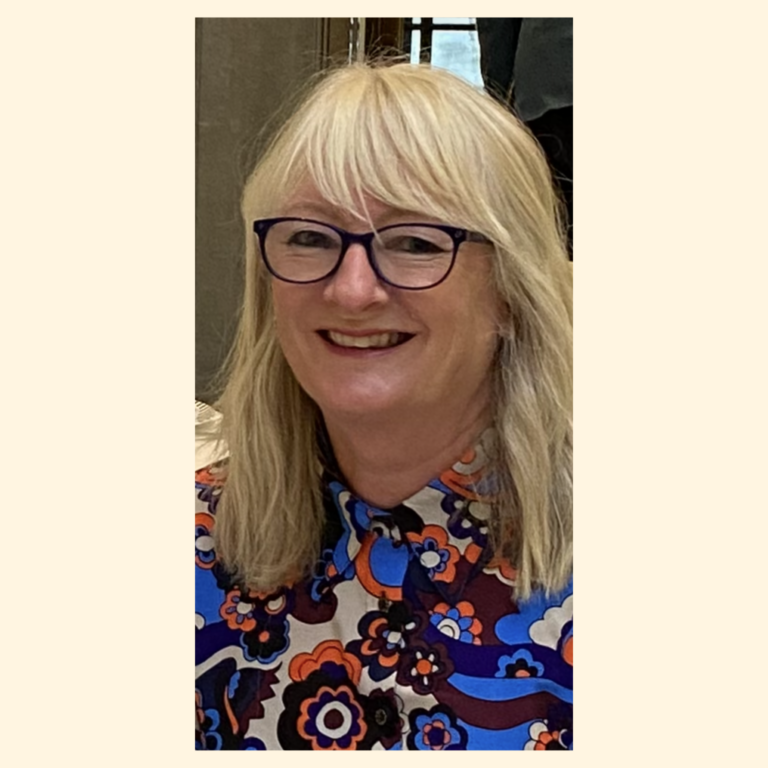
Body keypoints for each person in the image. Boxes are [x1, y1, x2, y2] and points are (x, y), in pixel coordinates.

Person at [195, 60, 573, 751]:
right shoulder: (196, 544)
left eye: (415, 243)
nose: (352, 291)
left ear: (512, 294)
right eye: (310, 237)